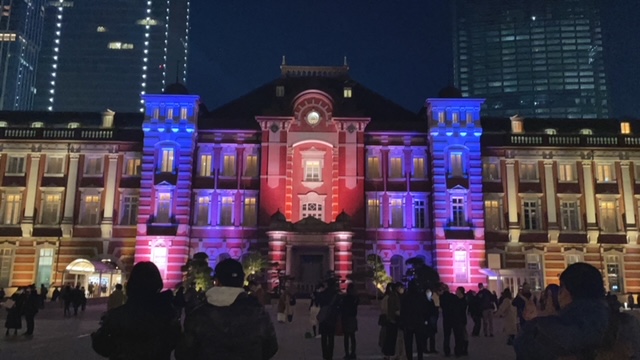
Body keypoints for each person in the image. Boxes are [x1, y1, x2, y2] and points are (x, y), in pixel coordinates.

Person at [515, 262, 640, 359]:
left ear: (567, 292)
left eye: (561, 289)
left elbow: (523, 347)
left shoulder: (536, 331)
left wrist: (543, 321)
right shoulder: (628, 323)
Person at [176, 258, 278, 360]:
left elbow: (184, 353)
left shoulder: (198, 314)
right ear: (241, 282)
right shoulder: (258, 313)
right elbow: (271, 347)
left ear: (217, 281)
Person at [91, 262, 181, 360]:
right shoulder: (168, 314)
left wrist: (96, 338)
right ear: (157, 283)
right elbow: (175, 345)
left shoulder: (119, 315)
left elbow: (104, 348)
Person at [400, 280, 428, 360]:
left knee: (408, 343)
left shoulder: (406, 297)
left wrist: (402, 322)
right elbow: (425, 309)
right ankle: (420, 357)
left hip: (408, 323)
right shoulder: (421, 297)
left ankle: (410, 358)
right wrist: (425, 319)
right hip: (419, 322)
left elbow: (403, 311)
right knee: (419, 342)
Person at [316, 278, 341, 360]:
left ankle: (324, 354)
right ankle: (330, 355)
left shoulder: (322, 293)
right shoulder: (336, 295)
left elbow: (318, 302)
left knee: (323, 337)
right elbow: (339, 306)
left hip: (324, 317)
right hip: (332, 317)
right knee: (331, 337)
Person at [341, 283, 359, 360]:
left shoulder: (345, 298)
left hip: (346, 318)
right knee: (352, 336)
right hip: (352, 317)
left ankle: (347, 353)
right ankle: (353, 353)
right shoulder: (355, 298)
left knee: (346, 337)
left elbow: (341, 307)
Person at [424, 288, 439, 354]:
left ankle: (432, 348)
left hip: (432, 320)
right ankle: (425, 349)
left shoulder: (431, 301)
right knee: (426, 335)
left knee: (432, 335)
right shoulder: (424, 301)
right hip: (427, 320)